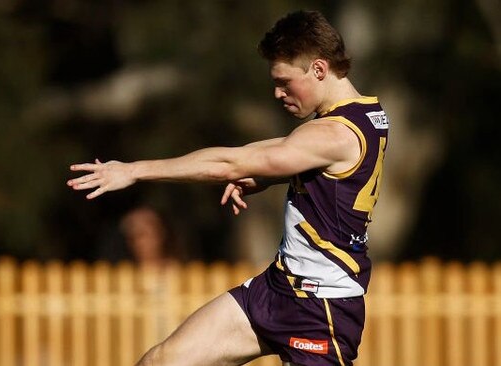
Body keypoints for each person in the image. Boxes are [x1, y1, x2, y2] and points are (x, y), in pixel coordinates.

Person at [68, 10, 388, 366]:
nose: (277, 93)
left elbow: (231, 163)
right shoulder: (366, 116)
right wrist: (268, 176)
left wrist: (134, 170)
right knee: (162, 361)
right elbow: (318, 170)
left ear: (318, 68)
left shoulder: (334, 133)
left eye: (284, 81)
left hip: (320, 310)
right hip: (277, 288)